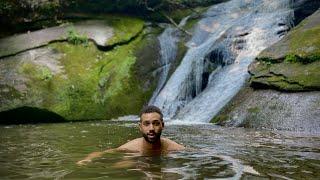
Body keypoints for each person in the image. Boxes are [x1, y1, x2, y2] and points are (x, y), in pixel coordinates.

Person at [77, 105, 185, 165]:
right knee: (119, 166)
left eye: (156, 123)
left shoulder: (173, 147)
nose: (151, 128)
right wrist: (88, 159)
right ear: (140, 127)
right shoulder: (132, 147)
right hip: (138, 161)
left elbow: (196, 152)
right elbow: (102, 153)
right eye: (146, 124)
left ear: (163, 125)